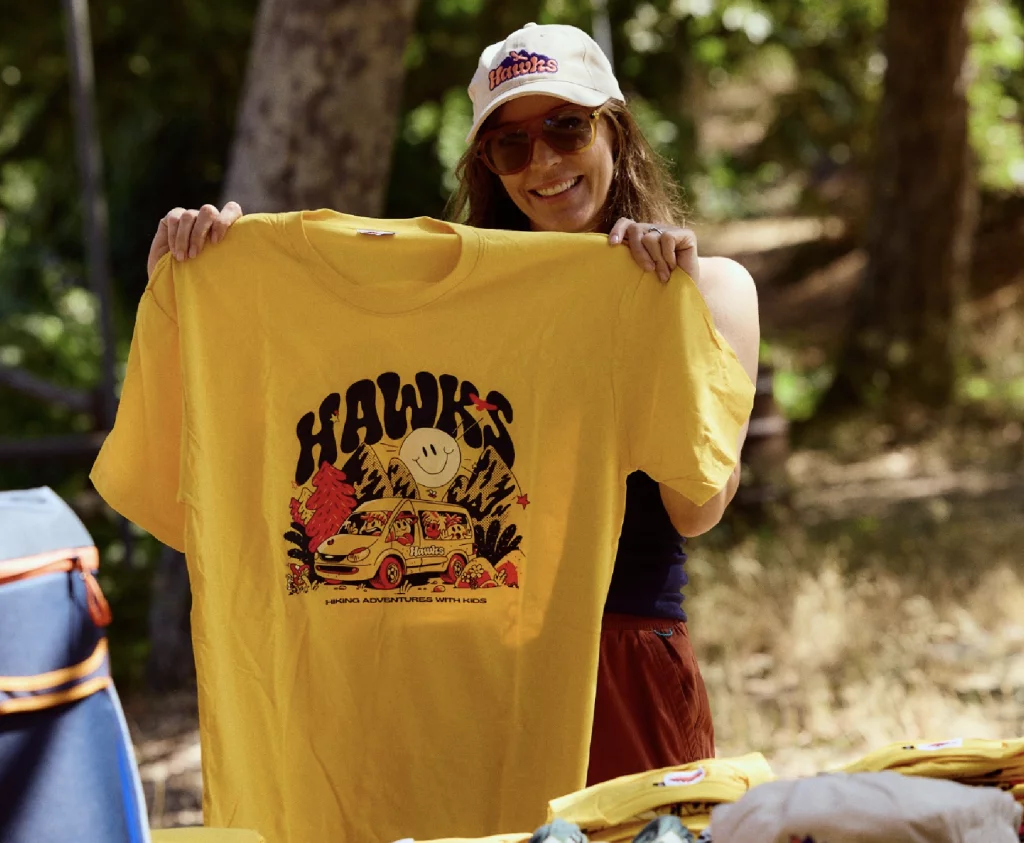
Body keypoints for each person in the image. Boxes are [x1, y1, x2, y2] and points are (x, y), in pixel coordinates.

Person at [146, 22, 759, 786]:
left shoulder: (709, 288)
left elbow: (697, 508)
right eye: (511, 146)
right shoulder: (459, 312)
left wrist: (669, 317)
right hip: (460, 670)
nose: (543, 162)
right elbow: (285, 414)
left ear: (617, 132)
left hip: (616, 660)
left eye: (566, 128)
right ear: (489, 169)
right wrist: (207, 280)